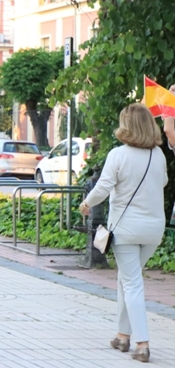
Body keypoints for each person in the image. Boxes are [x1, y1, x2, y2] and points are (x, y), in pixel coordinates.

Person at [81, 103, 168, 363]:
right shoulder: (159, 155)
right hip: (153, 230)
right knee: (127, 279)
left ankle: (142, 343)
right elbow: (161, 182)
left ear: (126, 126)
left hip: (126, 230)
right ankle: (122, 336)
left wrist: (86, 204)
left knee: (131, 283)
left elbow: (103, 187)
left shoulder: (118, 155)